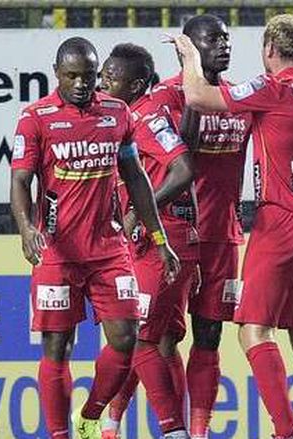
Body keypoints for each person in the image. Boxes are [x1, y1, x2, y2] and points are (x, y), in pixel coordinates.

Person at [171, 13, 293, 439]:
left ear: (269, 50)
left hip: (281, 223)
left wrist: (190, 55)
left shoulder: (273, 89)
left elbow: (196, 96)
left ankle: (287, 432)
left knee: (254, 333)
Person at [9, 37, 180, 439]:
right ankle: (59, 434)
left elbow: (135, 177)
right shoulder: (35, 117)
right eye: (72, 76)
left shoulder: (116, 114)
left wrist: (159, 238)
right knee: (57, 346)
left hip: (108, 249)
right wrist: (26, 228)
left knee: (126, 339)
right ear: (57, 74)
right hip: (57, 252)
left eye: (88, 76)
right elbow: (20, 180)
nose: (82, 84)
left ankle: (90, 415)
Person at [150, 14, 253, 437]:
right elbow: (180, 162)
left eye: (227, 39)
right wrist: (194, 80)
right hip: (177, 236)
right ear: (187, 47)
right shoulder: (165, 98)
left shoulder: (239, 97)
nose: (223, 46)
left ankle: (199, 430)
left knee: (209, 335)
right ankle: (140, 424)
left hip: (223, 235)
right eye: (212, 40)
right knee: (160, 337)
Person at [98, 42, 196, 439]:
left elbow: (184, 169)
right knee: (163, 342)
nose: (102, 82)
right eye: (102, 74)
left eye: (110, 76)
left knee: (137, 338)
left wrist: (140, 210)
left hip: (163, 238)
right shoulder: (128, 114)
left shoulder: (145, 115)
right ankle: (112, 425)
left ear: (136, 84)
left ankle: (173, 430)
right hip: (172, 239)